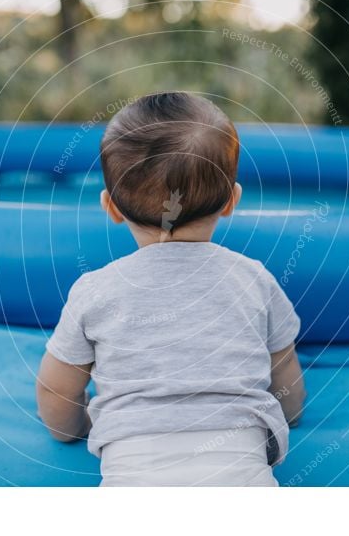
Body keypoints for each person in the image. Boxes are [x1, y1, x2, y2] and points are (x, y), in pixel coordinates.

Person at [36, 91, 305, 486]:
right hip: (240, 464)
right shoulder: (253, 280)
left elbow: (56, 392)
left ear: (110, 207)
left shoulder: (96, 291)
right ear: (232, 201)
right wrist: (291, 414)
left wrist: (71, 429)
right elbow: (287, 384)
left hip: (133, 470)